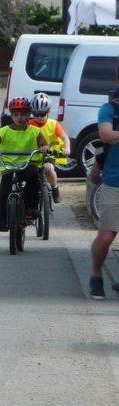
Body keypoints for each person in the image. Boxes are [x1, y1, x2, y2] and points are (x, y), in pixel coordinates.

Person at [0, 97, 48, 232]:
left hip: (28, 165)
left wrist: (44, 147)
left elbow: (43, 143)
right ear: (11, 115)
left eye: (23, 114)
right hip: (9, 167)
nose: (20, 118)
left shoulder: (35, 131)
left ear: (29, 114)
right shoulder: (5, 130)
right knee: (4, 192)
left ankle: (31, 208)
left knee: (34, 178)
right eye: (16, 114)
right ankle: (3, 219)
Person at [89, 86, 119, 299]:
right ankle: (96, 274)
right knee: (107, 236)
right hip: (115, 182)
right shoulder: (110, 109)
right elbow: (105, 134)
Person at [28, 91, 70, 203]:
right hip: (33, 155)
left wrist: (67, 149)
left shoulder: (53, 124)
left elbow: (65, 137)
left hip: (49, 154)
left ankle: (55, 189)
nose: (39, 117)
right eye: (36, 114)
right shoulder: (29, 124)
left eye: (42, 114)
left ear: (48, 112)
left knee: (49, 168)